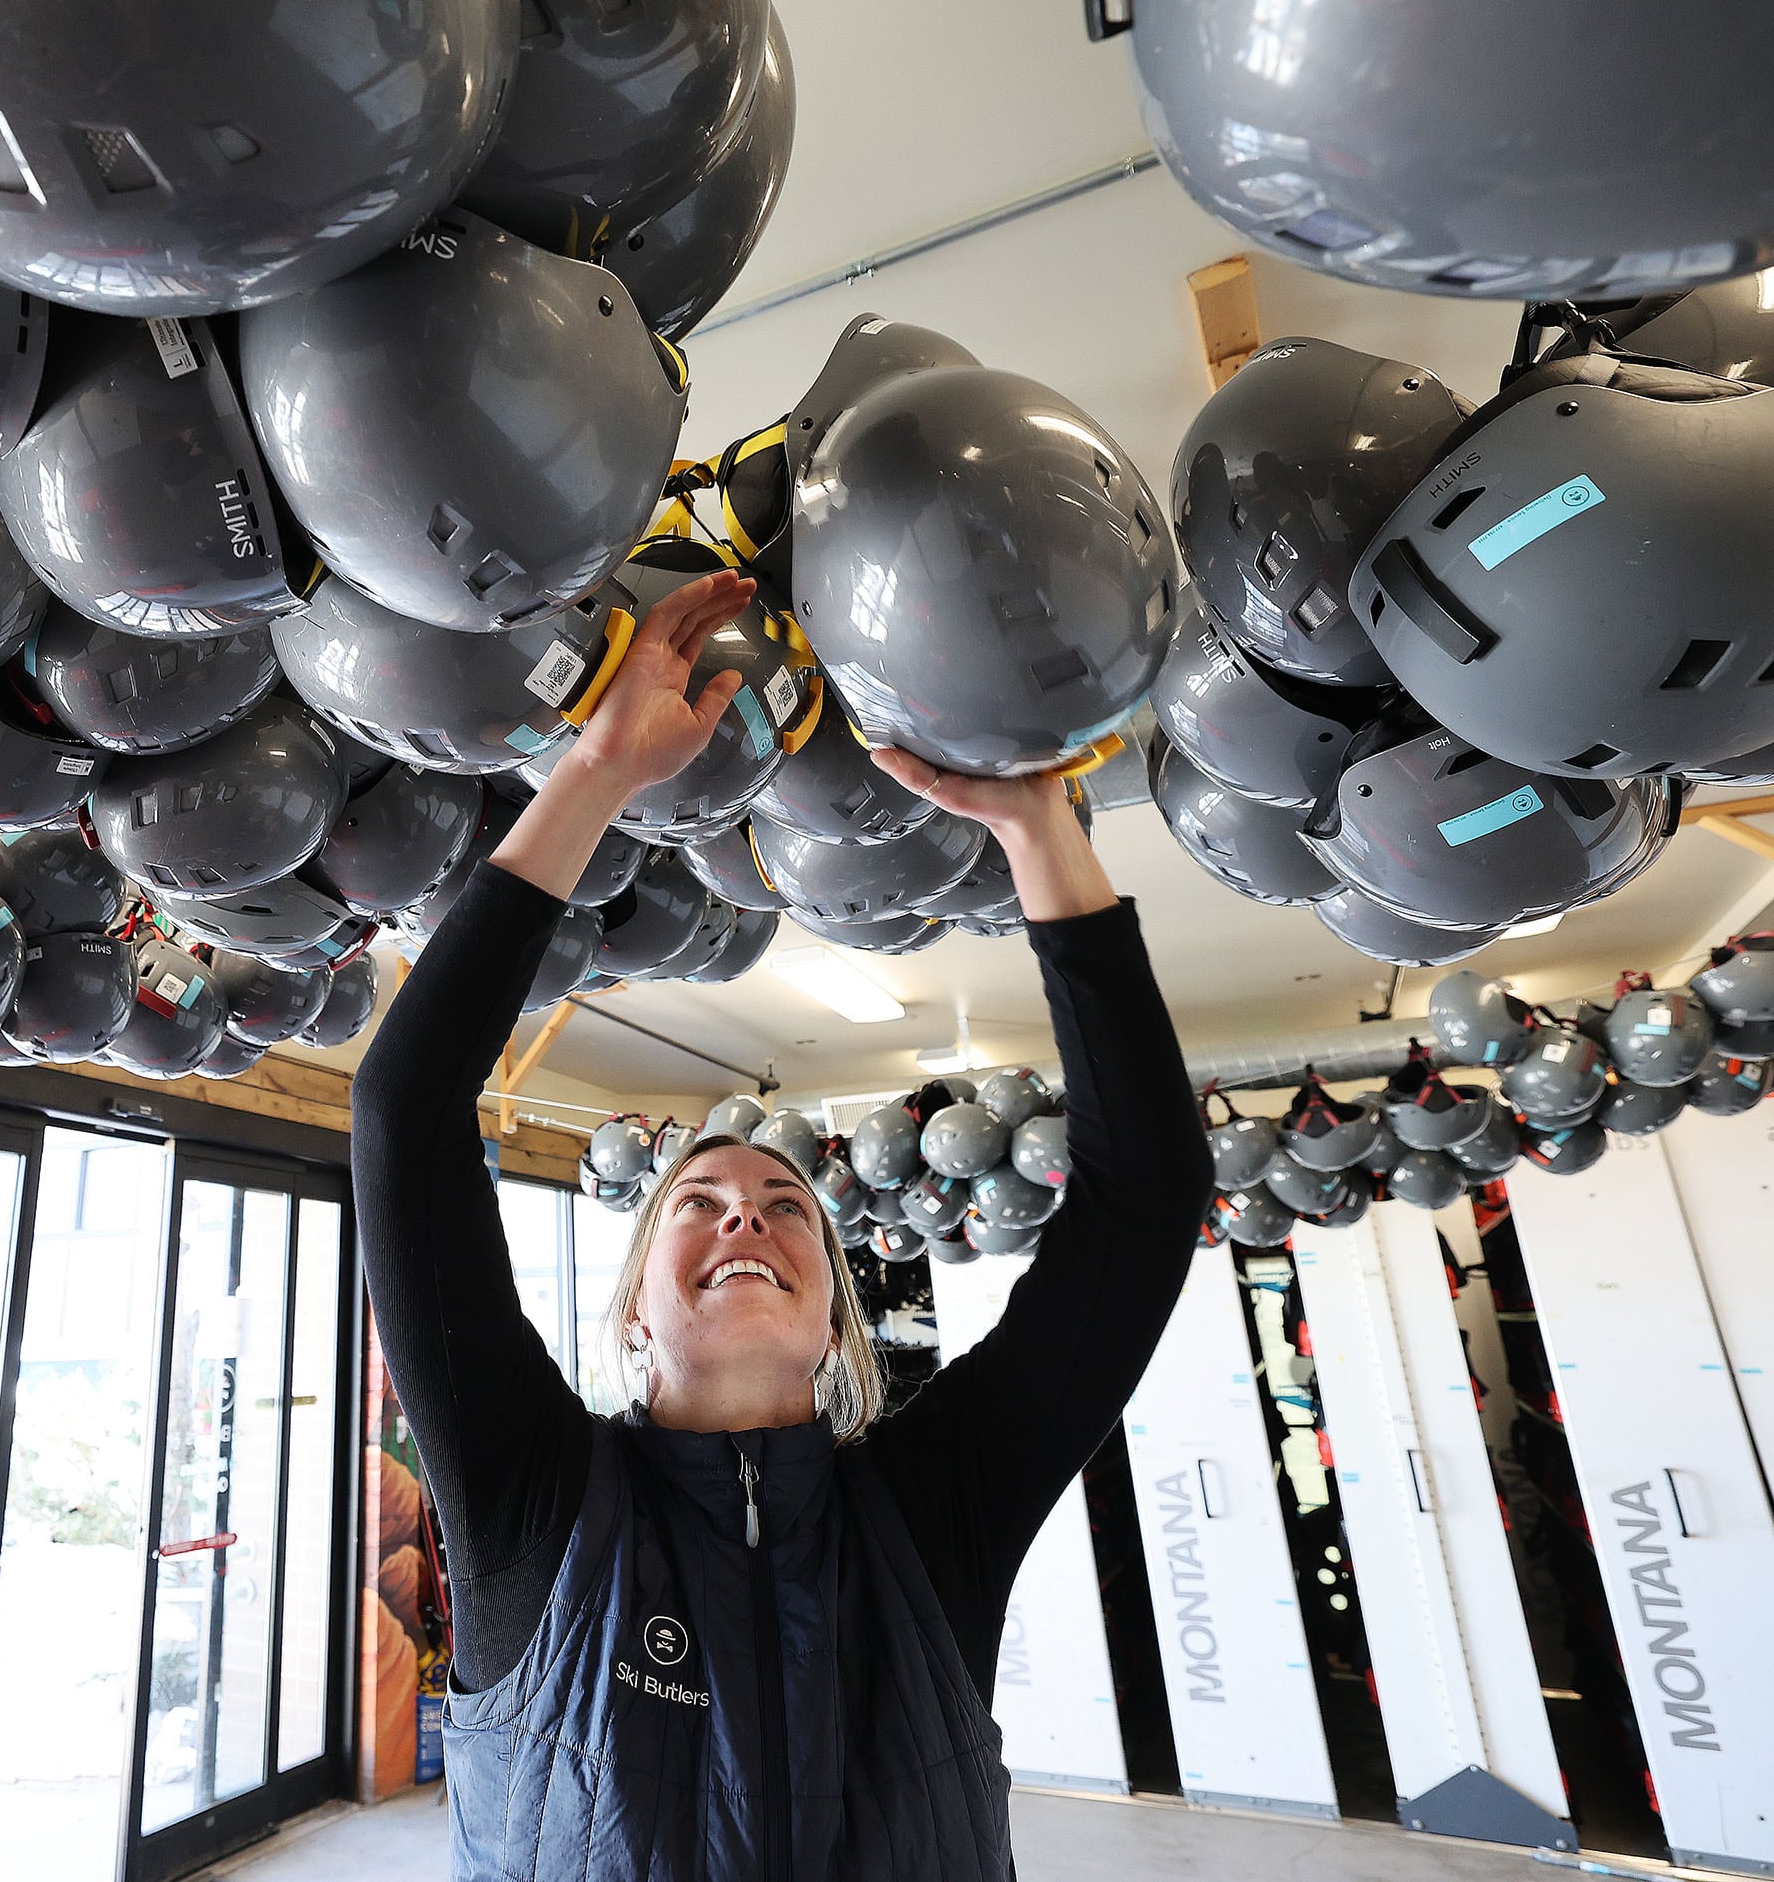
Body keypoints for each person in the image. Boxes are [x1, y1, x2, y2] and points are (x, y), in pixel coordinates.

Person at [352, 570, 1214, 1880]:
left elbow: (1140, 1209)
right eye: (694, 1203)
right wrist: (598, 772)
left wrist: (1042, 830)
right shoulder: (536, 1509)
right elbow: (406, 1113)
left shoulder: (935, 1515)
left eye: (783, 1207)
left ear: (834, 1318)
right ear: (636, 1307)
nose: (743, 1210)